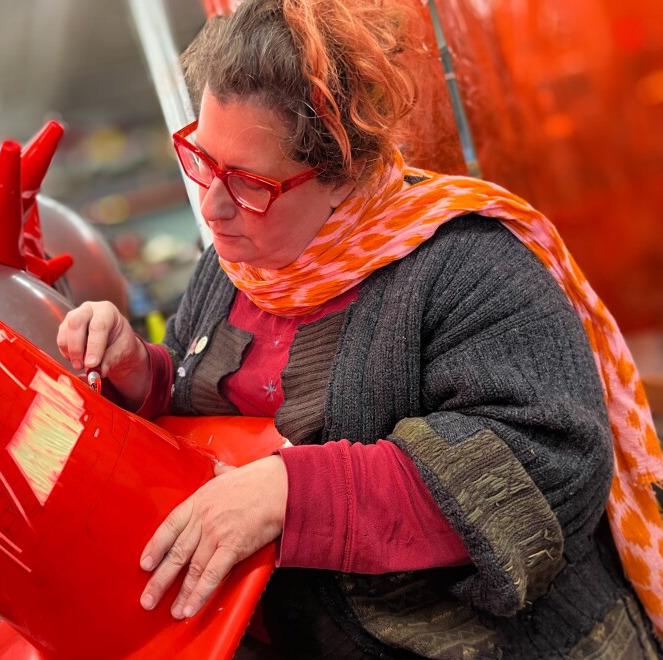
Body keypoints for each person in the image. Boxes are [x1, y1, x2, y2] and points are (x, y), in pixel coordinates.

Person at [57, 0, 663, 657]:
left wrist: (294, 494)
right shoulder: (232, 271)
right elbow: (190, 387)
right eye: (202, 160)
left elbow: (547, 466)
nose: (212, 205)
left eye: (251, 183)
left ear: (342, 175)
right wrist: (137, 372)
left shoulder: (466, 266)